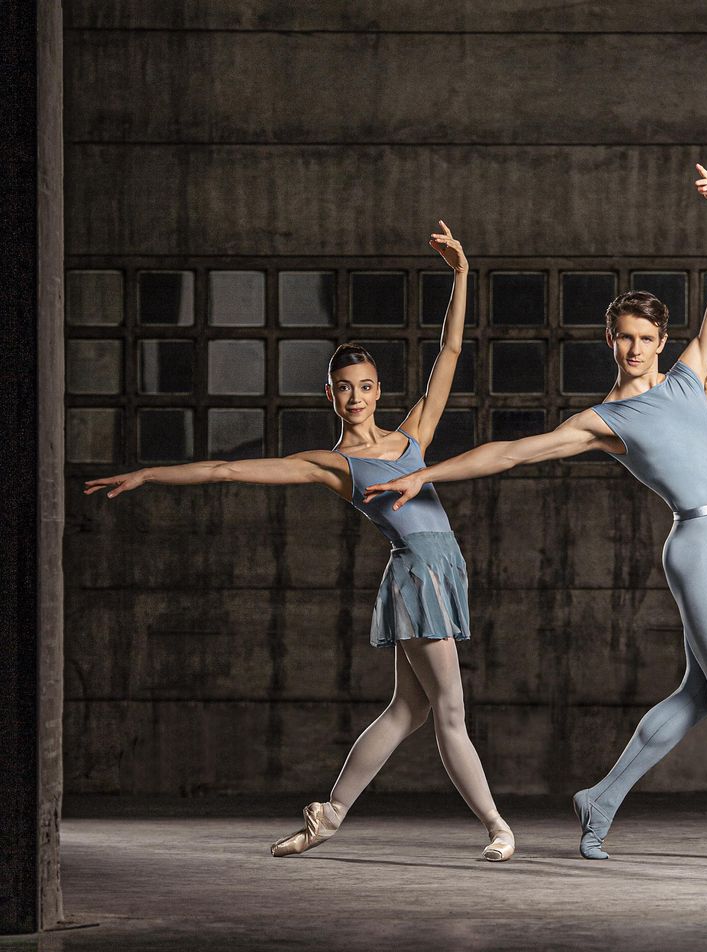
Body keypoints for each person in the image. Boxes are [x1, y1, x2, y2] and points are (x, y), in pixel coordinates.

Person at [363, 168, 707, 865]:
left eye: (643, 337)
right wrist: (425, 473)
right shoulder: (607, 420)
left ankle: (601, 799)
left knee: (700, 692)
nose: (632, 348)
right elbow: (512, 454)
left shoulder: (692, 375)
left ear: (660, 339)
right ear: (610, 338)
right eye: (621, 337)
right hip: (698, 547)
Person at [84, 222, 516, 863]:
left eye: (366, 386)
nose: (357, 397)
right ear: (331, 396)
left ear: (378, 391)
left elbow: (449, 354)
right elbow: (230, 471)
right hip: (419, 578)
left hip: (441, 570)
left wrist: (461, 274)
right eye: (345, 388)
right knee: (448, 711)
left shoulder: (413, 437)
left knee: (407, 711)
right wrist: (151, 472)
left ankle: (329, 813)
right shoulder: (334, 464)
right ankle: (497, 827)